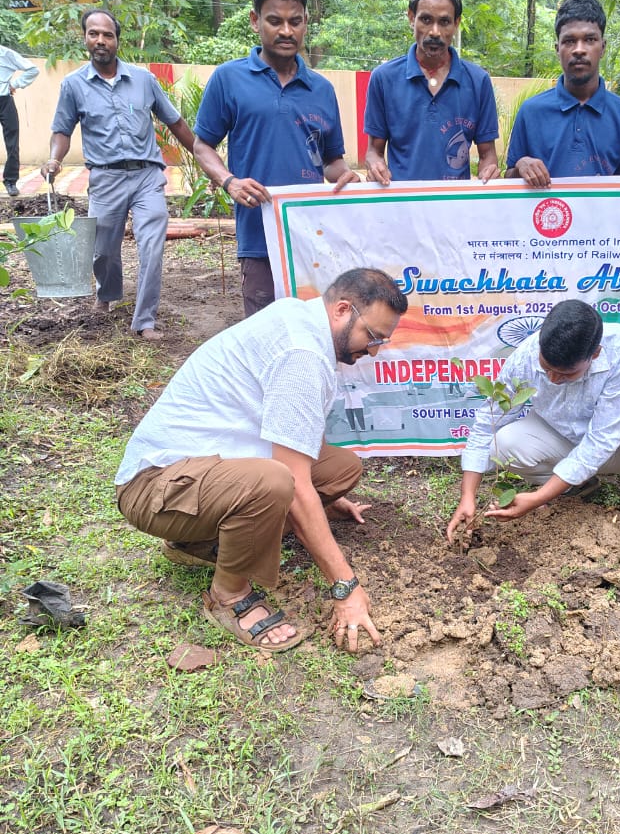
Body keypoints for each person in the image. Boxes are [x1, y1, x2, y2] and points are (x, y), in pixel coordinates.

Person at [114, 268, 408, 654]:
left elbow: (299, 439)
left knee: (339, 469)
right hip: (154, 487)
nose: (372, 349)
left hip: (203, 471)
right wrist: (346, 587)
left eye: (380, 342)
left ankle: (194, 544)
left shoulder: (301, 322)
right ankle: (229, 595)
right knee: (275, 482)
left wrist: (326, 500)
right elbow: (293, 481)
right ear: (341, 310)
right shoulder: (302, 354)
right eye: (371, 336)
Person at [445, 299, 620, 586]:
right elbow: (488, 420)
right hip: (565, 439)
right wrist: (468, 496)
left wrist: (537, 498)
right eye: (546, 368)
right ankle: (577, 484)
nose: (552, 378)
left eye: (566, 373)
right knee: (503, 443)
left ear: (595, 353)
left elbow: (600, 440)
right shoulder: (526, 356)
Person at [194, 0, 360, 317]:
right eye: (275, 21)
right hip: (258, 238)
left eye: (295, 21)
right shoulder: (229, 79)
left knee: (313, 327)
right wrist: (230, 182)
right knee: (263, 331)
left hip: (311, 239)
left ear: (305, 22)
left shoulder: (323, 90)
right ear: (255, 21)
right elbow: (202, 145)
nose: (286, 31)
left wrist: (345, 176)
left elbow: (331, 161)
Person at [41, 10, 195, 339]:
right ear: (84, 37)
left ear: (117, 40)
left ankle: (145, 321)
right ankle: (107, 294)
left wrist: (205, 157)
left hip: (146, 177)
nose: (100, 40)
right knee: (103, 252)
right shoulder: (73, 86)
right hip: (106, 180)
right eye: (93, 33)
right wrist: (54, 159)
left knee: (152, 247)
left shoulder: (144, 80)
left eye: (107, 35)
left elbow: (176, 122)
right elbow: (62, 130)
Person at [364, 0, 500, 185]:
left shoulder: (478, 82)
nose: (435, 32)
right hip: (401, 209)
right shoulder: (384, 79)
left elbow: (487, 155)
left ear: (456, 23)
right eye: (426, 20)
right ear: (411, 18)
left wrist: (489, 171)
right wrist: (375, 166)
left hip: (455, 209)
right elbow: (374, 151)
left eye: (444, 21)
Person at [506, 0, 620, 186]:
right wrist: (520, 166)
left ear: (603, 47)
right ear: (557, 48)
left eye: (590, 39)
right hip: (544, 216)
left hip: (601, 217)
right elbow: (508, 180)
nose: (579, 49)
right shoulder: (531, 111)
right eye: (569, 41)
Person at [0, 43, 39, 196]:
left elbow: (33, 69)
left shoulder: (6, 54)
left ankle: (10, 180)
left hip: (5, 101)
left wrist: (15, 84)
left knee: (12, 143)